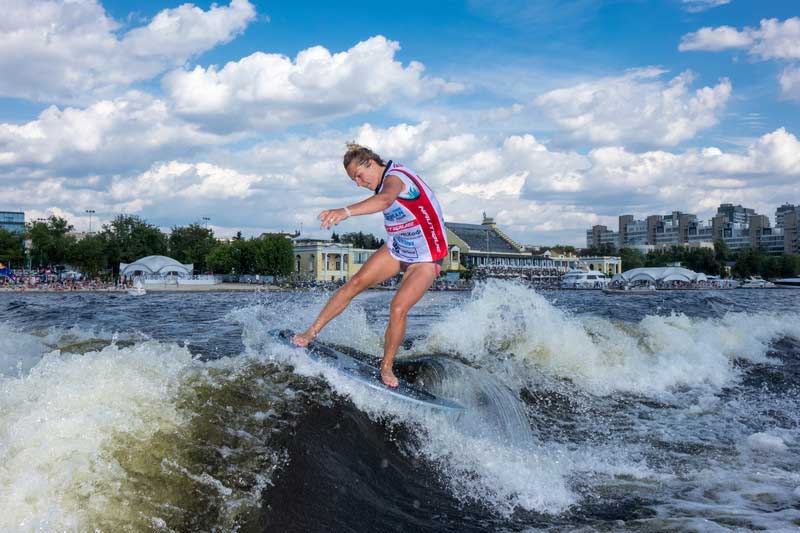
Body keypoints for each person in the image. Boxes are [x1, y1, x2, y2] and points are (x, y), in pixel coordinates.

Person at [292, 143, 448, 388]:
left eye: (358, 176)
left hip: (426, 257)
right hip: (398, 247)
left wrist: (345, 211)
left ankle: (386, 367)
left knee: (397, 307)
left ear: (371, 164)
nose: (358, 182)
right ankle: (311, 332)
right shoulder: (381, 180)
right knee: (354, 283)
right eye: (354, 180)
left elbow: (385, 200)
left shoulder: (396, 177)